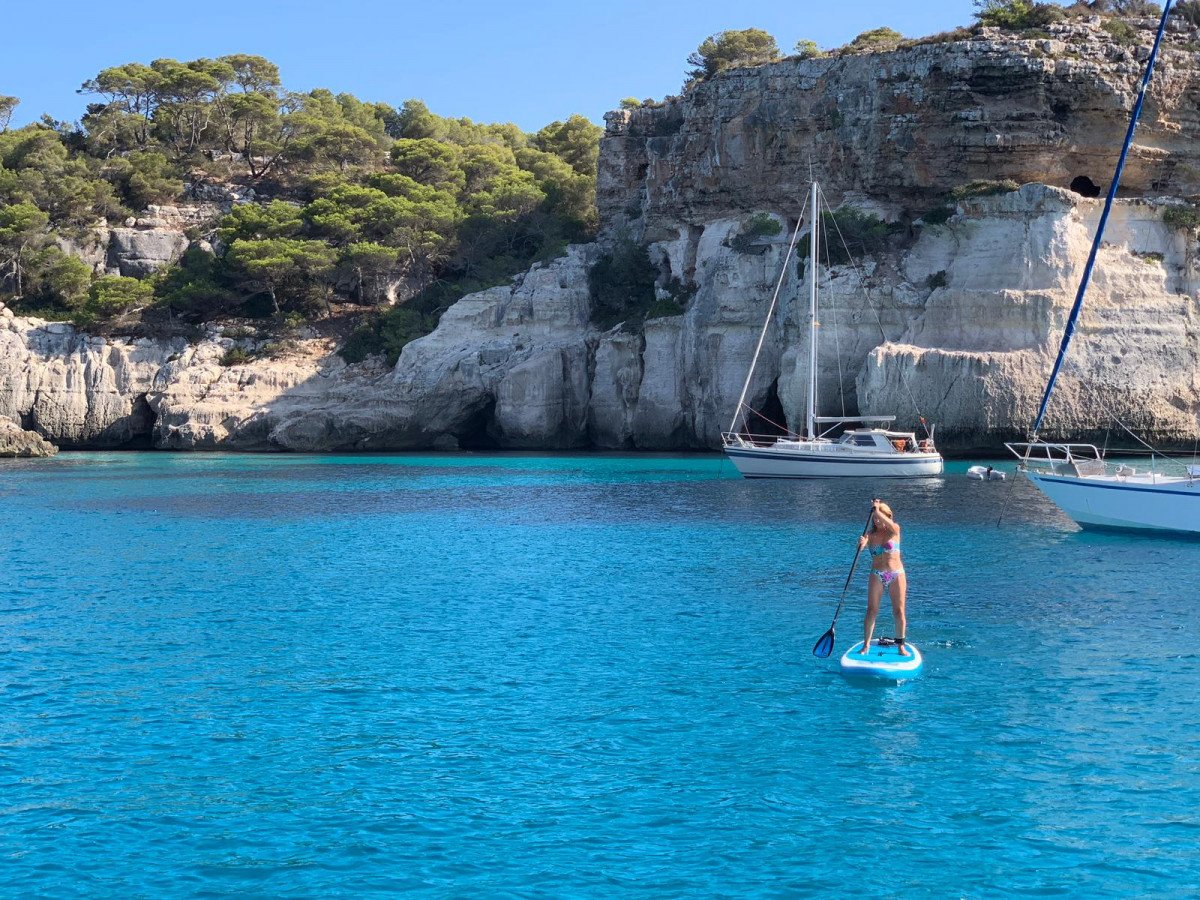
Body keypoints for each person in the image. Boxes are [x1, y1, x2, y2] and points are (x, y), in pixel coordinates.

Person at [856, 499, 909, 656]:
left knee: (899, 611)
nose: (877, 520)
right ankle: (866, 646)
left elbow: (890, 525)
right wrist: (861, 544)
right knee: (871, 610)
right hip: (877, 574)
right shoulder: (870, 534)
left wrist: (877, 509)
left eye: (879, 517)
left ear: (888, 516)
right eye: (875, 518)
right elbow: (860, 549)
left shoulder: (895, 530)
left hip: (896, 574)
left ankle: (900, 646)